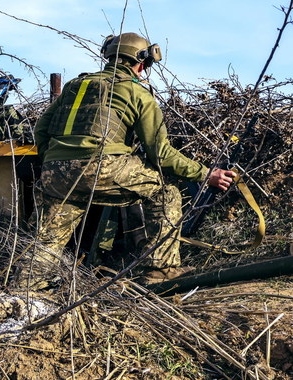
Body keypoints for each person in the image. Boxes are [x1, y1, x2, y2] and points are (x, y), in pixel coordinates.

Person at [29, 32, 235, 288]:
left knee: (47, 238)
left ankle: (26, 286)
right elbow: (161, 155)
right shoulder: (139, 94)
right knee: (165, 193)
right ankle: (160, 270)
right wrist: (205, 173)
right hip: (101, 168)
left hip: (54, 173)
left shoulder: (75, 85)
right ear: (142, 63)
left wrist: (56, 160)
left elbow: (41, 130)